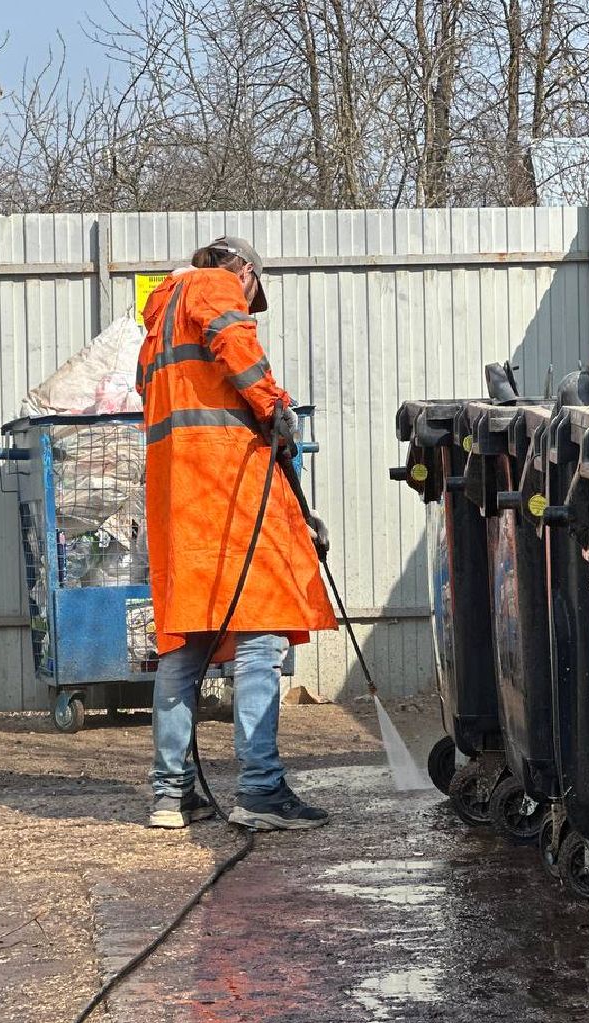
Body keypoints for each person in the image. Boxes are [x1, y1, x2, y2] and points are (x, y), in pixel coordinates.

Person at [137, 237, 338, 832]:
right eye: (254, 294)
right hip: (232, 490)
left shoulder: (158, 323)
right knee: (260, 635)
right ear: (244, 272)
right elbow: (235, 342)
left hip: (181, 500)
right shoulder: (212, 285)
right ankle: (260, 791)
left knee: (186, 645)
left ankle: (171, 796)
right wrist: (274, 405)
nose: (249, 305)